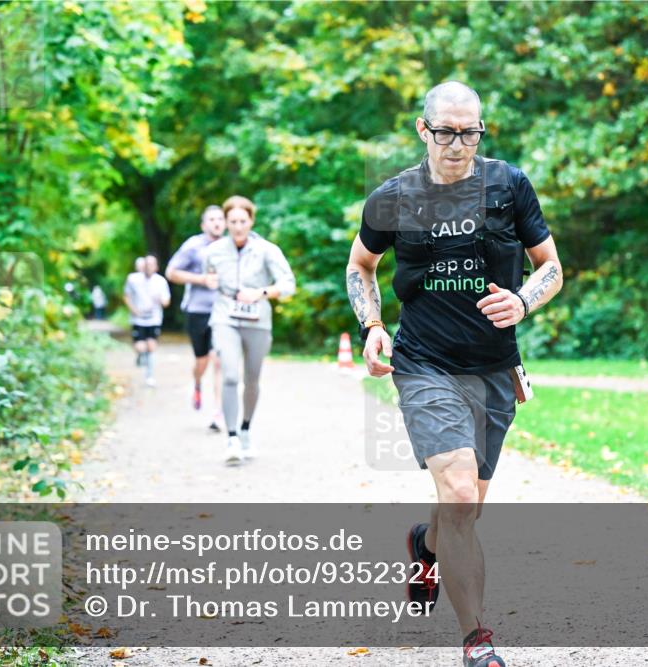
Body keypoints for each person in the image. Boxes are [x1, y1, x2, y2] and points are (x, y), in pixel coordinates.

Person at [345, 81, 563, 667]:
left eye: (471, 132)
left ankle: (425, 544)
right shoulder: (392, 198)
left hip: (494, 367)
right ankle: (477, 641)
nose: (459, 144)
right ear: (423, 129)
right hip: (423, 364)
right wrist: (372, 327)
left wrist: (523, 301)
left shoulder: (509, 186)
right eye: (447, 131)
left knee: (462, 512)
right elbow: (361, 266)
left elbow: (551, 267)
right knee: (461, 494)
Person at [204, 195, 295, 465]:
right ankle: (231, 438)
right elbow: (209, 277)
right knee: (230, 375)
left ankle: (245, 430)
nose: (237, 226)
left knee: (251, 379)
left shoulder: (267, 250)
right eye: (232, 221)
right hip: (225, 318)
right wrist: (208, 282)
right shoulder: (215, 251)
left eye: (242, 221)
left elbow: (288, 285)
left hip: (258, 321)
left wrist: (261, 292)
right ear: (225, 222)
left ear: (251, 221)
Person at [167, 205, 227, 431]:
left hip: (222, 311)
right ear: (204, 225)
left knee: (219, 360)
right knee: (202, 361)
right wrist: (202, 280)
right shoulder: (193, 246)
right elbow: (171, 272)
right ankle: (197, 382)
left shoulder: (230, 247)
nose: (217, 223)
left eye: (220, 218)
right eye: (211, 219)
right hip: (197, 310)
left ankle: (218, 413)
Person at [123, 254, 171, 387]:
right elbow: (126, 296)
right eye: (146, 264)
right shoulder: (133, 279)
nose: (149, 267)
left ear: (156, 267)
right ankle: (140, 355)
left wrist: (162, 300)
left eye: (151, 264)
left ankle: (149, 375)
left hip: (154, 319)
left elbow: (167, 301)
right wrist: (133, 309)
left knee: (151, 346)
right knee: (140, 346)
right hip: (138, 319)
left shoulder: (161, 281)